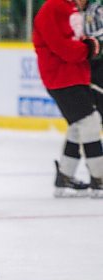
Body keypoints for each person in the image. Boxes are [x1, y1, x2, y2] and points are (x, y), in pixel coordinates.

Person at [33, 0, 103, 198]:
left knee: (78, 125)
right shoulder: (53, 7)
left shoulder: (70, 8)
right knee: (89, 122)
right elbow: (62, 46)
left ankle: (65, 176)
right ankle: (99, 179)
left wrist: (87, 47)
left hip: (76, 75)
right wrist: (88, 49)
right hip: (60, 77)